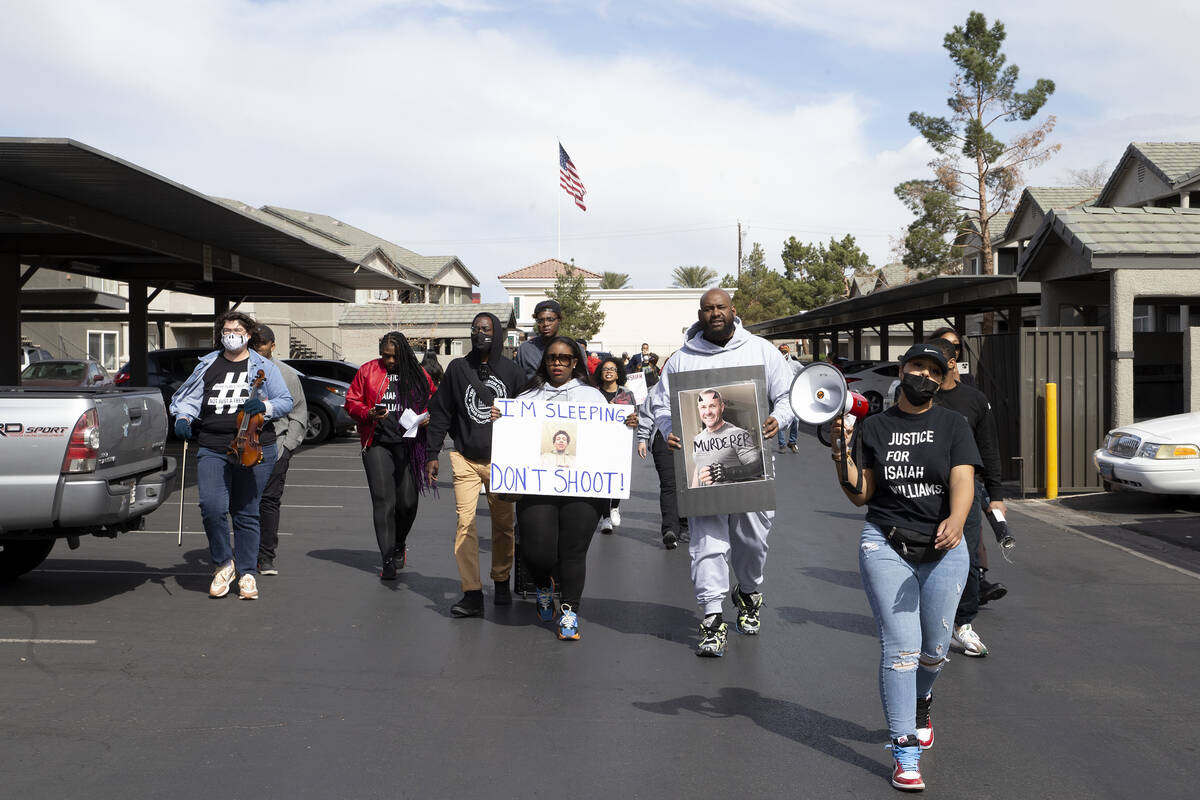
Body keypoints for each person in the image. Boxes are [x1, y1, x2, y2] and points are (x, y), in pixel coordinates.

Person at [830, 342, 979, 792]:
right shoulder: (875, 427)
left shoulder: (952, 424)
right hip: (886, 543)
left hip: (944, 545)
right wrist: (842, 459)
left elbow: (963, 479)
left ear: (942, 378)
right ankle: (904, 748)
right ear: (903, 369)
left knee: (934, 649)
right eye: (918, 366)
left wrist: (955, 520)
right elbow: (861, 494)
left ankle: (921, 699)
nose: (925, 376)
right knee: (901, 649)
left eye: (934, 371)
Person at [650, 289, 796, 657]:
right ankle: (712, 618)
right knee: (707, 544)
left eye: (721, 307)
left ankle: (748, 590)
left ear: (733, 311)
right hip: (700, 468)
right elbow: (660, 403)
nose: (715, 313)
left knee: (752, 541)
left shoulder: (760, 350)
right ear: (699, 314)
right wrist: (668, 426)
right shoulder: (681, 359)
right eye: (707, 309)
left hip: (751, 467)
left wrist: (779, 419)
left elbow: (788, 396)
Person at [503, 337, 638, 641]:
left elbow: (607, 437)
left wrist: (625, 424)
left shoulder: (592, 397)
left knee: (573, 553)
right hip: (538, 488)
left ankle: (569, 612)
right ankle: (542, 585)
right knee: (538, 553)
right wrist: (503, 421)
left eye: (565, 358)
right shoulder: (528, 397)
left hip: (582, 491)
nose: (558, 363)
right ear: (545, 361)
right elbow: (514, 436)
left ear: (575, 362)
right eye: (552, 358)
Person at [170, 311, 294, 601]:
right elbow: (188, 398)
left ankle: (248, 572)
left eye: (237, 329)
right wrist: (184, 419)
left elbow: (284, 401)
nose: (231, 334)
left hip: (254, 445)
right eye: (226, 330)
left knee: (247, 510)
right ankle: (224, 564)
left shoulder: (263, 366)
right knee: (212, 507)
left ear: (248, 334)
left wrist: (264, 407)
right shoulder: (208, 364)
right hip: (213, 445)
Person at [425, 311, 524, 617]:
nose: (479, 333)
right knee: (465, 524)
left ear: (497, 334)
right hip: (465, 458)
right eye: (475, 328)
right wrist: (432, 453)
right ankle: (472, 592)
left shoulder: (512, 371)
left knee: (504, 527)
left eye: (485, 328)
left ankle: (502, 578)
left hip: (501, 461)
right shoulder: (457, 369)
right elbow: (441, 411)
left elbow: (528, 416)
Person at [925, 336, 1006, 658]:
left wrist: (996, 494)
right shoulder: (918, 400)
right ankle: (929, 625)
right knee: (926, 558)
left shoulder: (973, 400)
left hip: (968, 492)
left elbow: (989, 448)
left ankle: (963, 623)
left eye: (934, 366)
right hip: (925, 494)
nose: (926, 374)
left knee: (969, 561)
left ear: (950, 363)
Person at [345, 331, 436, 580]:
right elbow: (351, 401)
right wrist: (367, 414)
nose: (389, 361)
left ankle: (399, 543)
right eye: (385, 356)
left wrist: (428, 415)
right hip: (377, 443)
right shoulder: (368, 371)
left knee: (407, 503)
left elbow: (434, 400)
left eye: (394, 357)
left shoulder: (418, 373)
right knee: (384, 502)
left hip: (408, 445)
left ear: (403, 354)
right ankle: (387, 558)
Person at [249, 325, 308, 577]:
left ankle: (266, 556)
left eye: (262, 344)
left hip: (277, 446)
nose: (257, 349)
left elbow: (299, 414)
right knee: (243, 502)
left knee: (269, 501)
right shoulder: (240, 371)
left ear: (273, 346)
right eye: (253, 343)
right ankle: (246, 552)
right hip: (243, 446)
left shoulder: (286, 374)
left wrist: (287, 448)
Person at [636, 388, 688, 549]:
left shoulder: (694, 379)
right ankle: (670, 530)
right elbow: (646, 413)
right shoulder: (658, 389)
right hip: (662, 438)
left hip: (691, 435)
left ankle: (685, 525)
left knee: (690, 483)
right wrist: (642, 438)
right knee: (669, 484)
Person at [594, 356, 637, 533]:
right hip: (598, 441)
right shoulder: (593, 393)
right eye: (605, 369)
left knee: (618, 474)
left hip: (620, 442)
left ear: (618, 373)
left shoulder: (627, 394)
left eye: (612, 369)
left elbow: (636, 416)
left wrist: (631, 419)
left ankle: (614, 507)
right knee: (604, 477)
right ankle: (605, 518)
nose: (609, 372)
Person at [689, 389, 763, 488]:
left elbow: (757, 467)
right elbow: (698, 468)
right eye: (703, 407)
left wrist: (727, 473)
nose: (707, 412)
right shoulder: (698, 439)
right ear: (699, 409)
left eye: (712, 406)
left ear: (722, 407)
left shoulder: (738, 434)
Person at [514, 299, 562, 380]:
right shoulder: (525, 349)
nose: (545, 324)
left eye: (550, 319)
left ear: (559, 320)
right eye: (540, 320)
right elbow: (517, 380)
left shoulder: (573, 348)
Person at [776, 344, 801, 453]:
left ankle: (792, 442)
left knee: (795, 419)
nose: (783, 353)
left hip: (794, 396)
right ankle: (782, 445)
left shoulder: (795, 364)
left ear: (789, 351)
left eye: (785, 351)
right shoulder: (776, 364)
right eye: (781, 351)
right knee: (780, 419)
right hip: (779, 396)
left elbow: (805, 373)